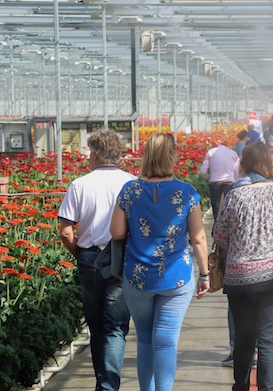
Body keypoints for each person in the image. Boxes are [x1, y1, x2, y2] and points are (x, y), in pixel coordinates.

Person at [110, 133, 210, 391]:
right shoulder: (186, 192)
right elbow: (198, 239)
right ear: (171, 156)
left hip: (138, 277)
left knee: (144, 340)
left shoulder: (129, 191)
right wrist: (205, 274)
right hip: (176, 277)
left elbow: (117, 233)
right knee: (166, 342)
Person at [213, 142, 273, 391]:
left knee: (244, 336)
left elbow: (219, 235)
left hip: (241, 279)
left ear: (244, 164)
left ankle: (240, 386)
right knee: (270, 339)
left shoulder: (234, 195)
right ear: (267, 164)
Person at [58, 130, 135, 391]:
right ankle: (107, 384)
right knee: (115, 327)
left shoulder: (80, 184)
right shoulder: (132, 184)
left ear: (94, 155)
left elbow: (66, 230)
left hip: (90, 258)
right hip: (121, 258)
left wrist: (79, 254)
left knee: (97, 326)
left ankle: (103, 383)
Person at [200, 142, 239, 222]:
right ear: (227, 146)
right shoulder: (233, 153)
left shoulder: (210, 152)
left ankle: (216, 231)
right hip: (229, 185)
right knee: (230, 211)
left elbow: (203, 172)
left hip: (215, 185)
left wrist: (210, 177)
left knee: (216, 213)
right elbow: (237, 171)